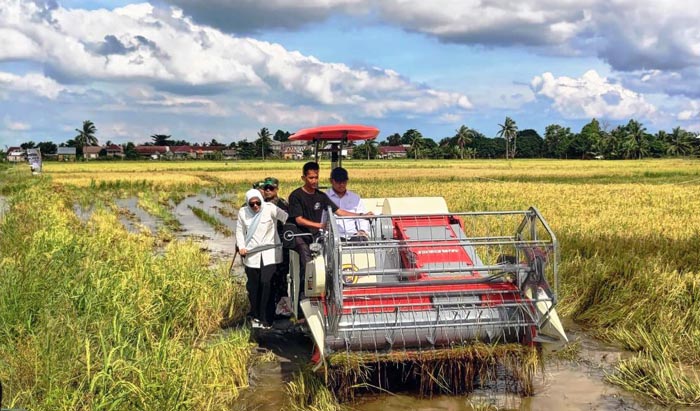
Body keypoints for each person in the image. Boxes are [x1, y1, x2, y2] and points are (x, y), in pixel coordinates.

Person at [288, 162, 371, 305]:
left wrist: (363, 215)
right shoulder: (296, 195)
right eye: (311, 178)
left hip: (333, 236)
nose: (314, 181)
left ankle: (354, 292)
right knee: (310, 267)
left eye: (316, 177)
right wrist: (321, 226)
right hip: (305, 236)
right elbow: (299, 220)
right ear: (304, 178)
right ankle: (307, 300)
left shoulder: (321, 196)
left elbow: (339, 212)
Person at [236, 188, 288, 328]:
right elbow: (240, 232)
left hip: (270, 254)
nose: (255, 206)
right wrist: (241, 247)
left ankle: (267, 319)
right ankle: (256, 315)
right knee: (254, 288)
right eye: (252, 204)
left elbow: (286, 218)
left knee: (267, 284)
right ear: (247, 203)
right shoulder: (243, 213)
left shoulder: (270, 209)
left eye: (257, 203)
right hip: (252, 255)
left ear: (261, 200)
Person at [259, 176, 291, 319]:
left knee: (281, 278)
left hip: (280, 246)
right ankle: (265, 308)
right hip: (263, 246)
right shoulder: (256, 204)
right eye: (265, 188)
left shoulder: (282, 204)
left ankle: (281, 308)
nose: (268, 190)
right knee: (265, 279)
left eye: (271, 188)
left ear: (277, 189)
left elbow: (288, 224)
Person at [326, 167, 370, 241]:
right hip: (331, 236)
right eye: (338, 182)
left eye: (344, 182)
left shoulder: (355, 198)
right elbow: (321, 218)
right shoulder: (325, 197)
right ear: (331, 181)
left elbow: (362, 219)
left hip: (353, 235)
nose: (342, 185)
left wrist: (362, 230)